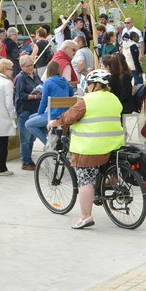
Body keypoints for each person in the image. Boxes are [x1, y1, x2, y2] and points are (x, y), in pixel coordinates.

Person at [47, 69, 123, 230]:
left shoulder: (87, 101)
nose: (87, 86)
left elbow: (69, 116)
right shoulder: (114, 98)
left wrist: (55, 122)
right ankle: (111, 193)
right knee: (107, 170)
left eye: (89, 83)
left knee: (85, 180)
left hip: (91, 148)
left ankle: (85, 217)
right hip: (113, 144)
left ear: (96, 85)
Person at [24, 61, 73, 147]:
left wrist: (40, 114)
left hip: (53, 114)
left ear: (48, 71)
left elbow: (43, 102)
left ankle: (48, 143)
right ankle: (50, 137)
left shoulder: (48, 82)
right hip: (65, 113)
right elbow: (71, 93)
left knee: (28, 124)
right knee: (31, 117)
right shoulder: (65, 81)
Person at [13, 53, 42, 171]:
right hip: (25, 110)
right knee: (25, 139)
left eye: (32, 65)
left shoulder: (35, 75)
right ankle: (25, 161)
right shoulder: (20, 78)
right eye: (28, 66)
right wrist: (34, 96)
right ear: (22, 67)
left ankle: (29, 160)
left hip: (35, 111)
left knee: (32, 138)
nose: (31, 68)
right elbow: (20, 95)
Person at [103, 54, 135, 130]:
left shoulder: (123, 76)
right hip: (121, 102)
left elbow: (126, 94)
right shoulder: (118, 76)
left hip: (125, 104)